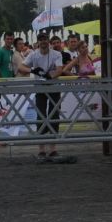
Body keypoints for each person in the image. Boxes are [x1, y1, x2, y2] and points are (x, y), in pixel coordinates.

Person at [23, 33, 72, 162]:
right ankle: (41, 149)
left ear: (48, 41)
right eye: (41, 40)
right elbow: (22, 66)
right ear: (38, 42)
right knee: (41, 116)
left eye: (45, 40)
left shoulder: (56, 54)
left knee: (54, 115)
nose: (43, 42)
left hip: (54, 88)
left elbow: (60, 69)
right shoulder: (33, 54)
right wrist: (32, 70)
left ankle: (53, 149)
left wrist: (50, 76)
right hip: (40, 89)